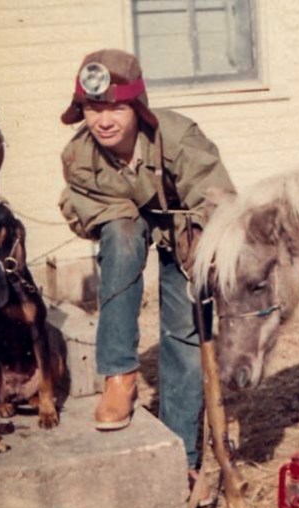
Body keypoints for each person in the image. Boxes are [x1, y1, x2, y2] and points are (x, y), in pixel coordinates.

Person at [59, 49, 235, 480]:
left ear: (137, 106)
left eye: (116, 107)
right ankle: (118, 375)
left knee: (184, 335)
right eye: (92, 108)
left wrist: (200, 248)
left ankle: (182, 461)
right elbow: (84, 209)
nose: (103, 120)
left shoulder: (179, 138)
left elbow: (218, 201)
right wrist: (127, 219)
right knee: (119, 236)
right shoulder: (79, 155)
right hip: (130, 222)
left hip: (185, 229)